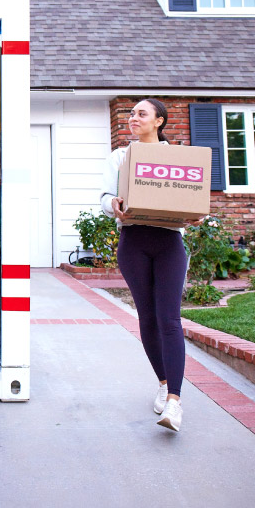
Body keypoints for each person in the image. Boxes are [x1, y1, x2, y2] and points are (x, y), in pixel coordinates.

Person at [100, 98, 201, 432]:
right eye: (131, 113)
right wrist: (111, 204)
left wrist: (197, 214)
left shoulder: (179, 158)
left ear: (159, 121)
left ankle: (174, 401)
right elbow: (104, 198)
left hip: (169, 242)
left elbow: (194, 201)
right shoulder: (120, 157)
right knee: (147, 317)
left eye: (141, 113)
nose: (133, 118)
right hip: (134, 243)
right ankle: (162, 381)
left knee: (169, 318)